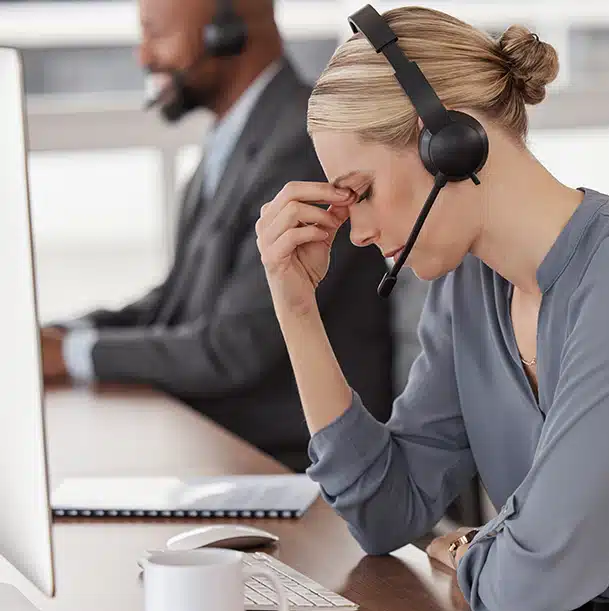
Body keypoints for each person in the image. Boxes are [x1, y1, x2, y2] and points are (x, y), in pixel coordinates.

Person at [255, 5, 609, 611]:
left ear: (449, 143)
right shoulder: (470, 289)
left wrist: (462, 547)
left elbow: (532, 578)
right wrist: (295, 307)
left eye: (358, 193)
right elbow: (384, 513)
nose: (356, 232)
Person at [40, 0, 394, 472]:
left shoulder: (305, 142)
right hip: (226, 449)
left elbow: (233, 347)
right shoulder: (234, 141)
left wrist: (71, 355)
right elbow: (174, 302)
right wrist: (67, 334)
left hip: (287, 466)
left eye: (157, 34)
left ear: (227, 32)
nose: (143, 57)